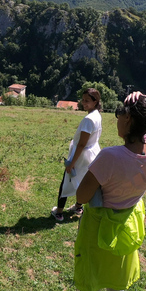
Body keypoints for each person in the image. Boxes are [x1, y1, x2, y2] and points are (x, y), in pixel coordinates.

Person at [71, 91, 146, 291]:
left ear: (130, 120)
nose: (116, 117)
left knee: (93, 267)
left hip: (100, 223)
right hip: (129, 219)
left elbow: (81, 195)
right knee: (118, 265)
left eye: (120, 112)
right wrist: (142, 98)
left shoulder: (110, 157)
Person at [51, 88, 103, 222]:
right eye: (83, 100)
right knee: (84, 180)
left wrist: (71, 163)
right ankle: (78, 206)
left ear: (95, 101)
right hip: (92, 153)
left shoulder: (88, 119)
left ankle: (59, 212)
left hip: (81, 155)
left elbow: (81, 144)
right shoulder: (97, 115)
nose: (83, 103)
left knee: (67, 181)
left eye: (87, 101)